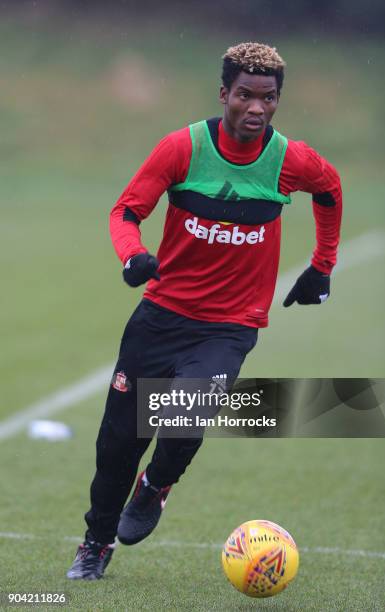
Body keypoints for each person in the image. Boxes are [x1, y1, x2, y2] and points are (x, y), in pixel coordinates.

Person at [67, 41, 342, 580]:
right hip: (160, 317)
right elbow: (126, 211)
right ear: (224, 95)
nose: (256, 108)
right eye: (245, 95)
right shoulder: (182, 148)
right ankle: (95, 545)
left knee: (186, 417)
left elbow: (330, 189)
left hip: (228, 326)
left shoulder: (290, 160)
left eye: (268, 98)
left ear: (277, 101)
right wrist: (133, 257)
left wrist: (322, 265)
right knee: (118, 445)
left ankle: (156, 485)